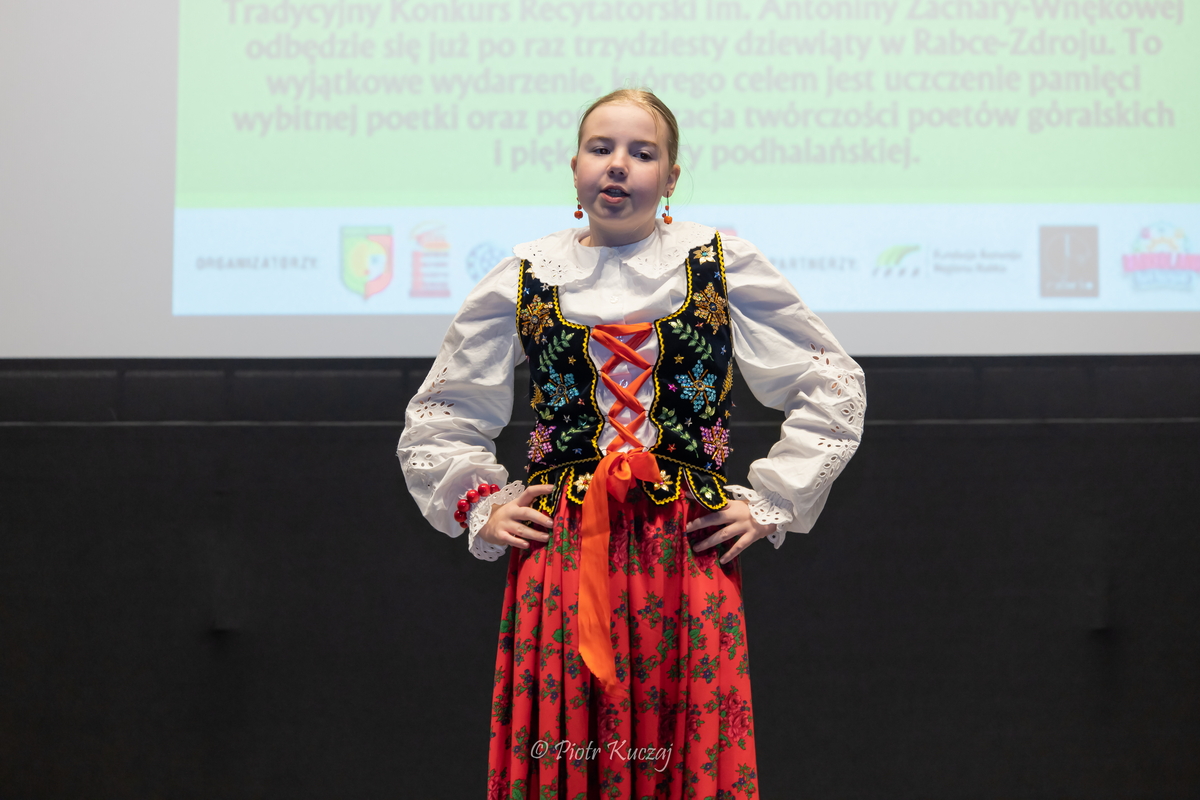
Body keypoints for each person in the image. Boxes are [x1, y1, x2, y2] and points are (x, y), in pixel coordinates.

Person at [397, 88, 865, 799]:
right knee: (569, 739)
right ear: (575, 168)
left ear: (671, 178)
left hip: (684, 549)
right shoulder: (524, 276)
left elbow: (830, 380)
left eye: (642, 153)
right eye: (601, 148)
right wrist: (480, 504)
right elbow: (442, 410)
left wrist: (772, 501)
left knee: (680, 746)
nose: (618, 165)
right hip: (564, 553)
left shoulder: (721, 264)